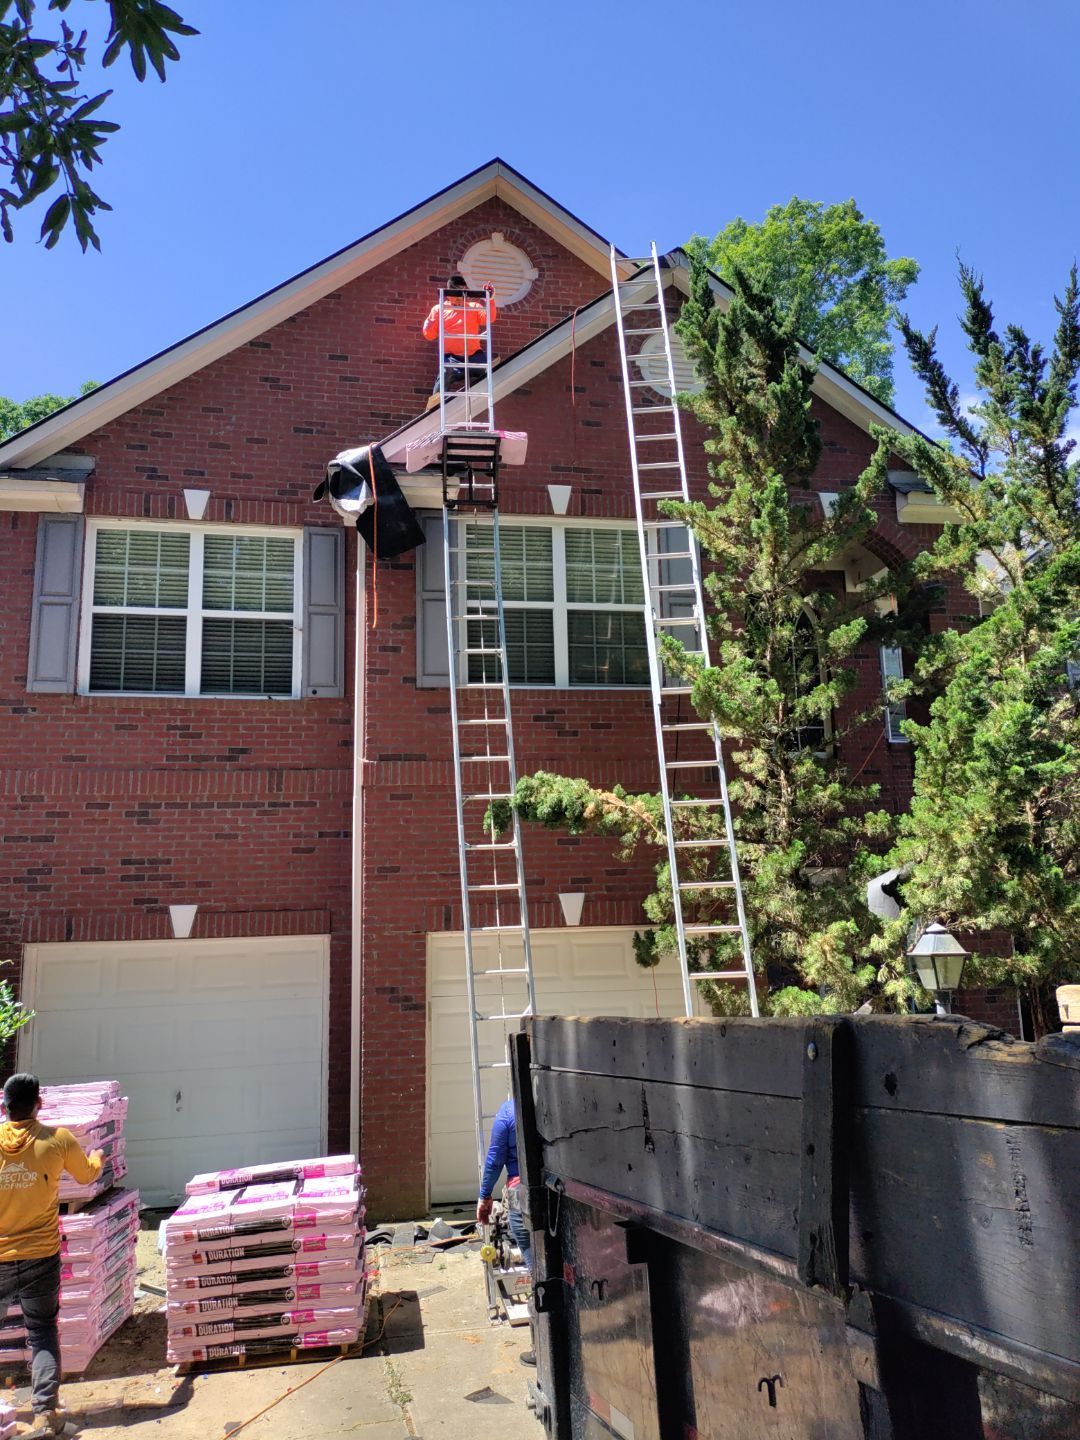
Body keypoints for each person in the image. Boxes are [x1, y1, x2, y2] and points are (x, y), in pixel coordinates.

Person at [0, 1074, 103, 1438]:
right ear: (38, 1103)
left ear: (4, 1106)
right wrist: (98, 1155)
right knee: (41, 1331)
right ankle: (46, 1414)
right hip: (41, 1256)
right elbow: (87, 1174)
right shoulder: (57, 1140)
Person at [476, 1097, 535, 1367]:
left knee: (537, 1269)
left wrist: (484, 1198)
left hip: (521, 1198)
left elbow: (494, 1160)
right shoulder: (549, 1099)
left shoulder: (507, 1114)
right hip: (553, 1191)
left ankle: (542, 1348)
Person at [422, 273, 496, 394]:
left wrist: (490, 299)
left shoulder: (474, 307)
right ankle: (436, 409)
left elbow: (489, 318)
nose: (460, 298)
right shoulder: (439, 309)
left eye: (463, 294)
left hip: (474, 356)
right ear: (449, 294)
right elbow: (428, 335)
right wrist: (431, 322)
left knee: (492, 373)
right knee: (443, 377)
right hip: (452, 359)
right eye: (457, 294)